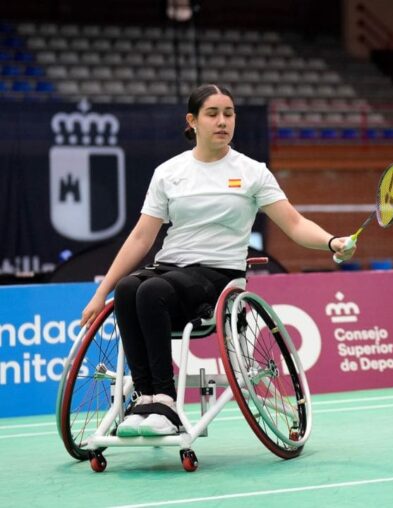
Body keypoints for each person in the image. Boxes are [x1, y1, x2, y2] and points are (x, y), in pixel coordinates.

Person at [79, 84, 355, 437]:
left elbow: (295, 224)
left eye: (229, 113)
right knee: (129, 287)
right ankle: (144, 400)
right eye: (213, 114)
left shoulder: (253, 172)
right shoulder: (169, 172)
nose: (222, 121)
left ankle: (165, 402)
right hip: (170, 268)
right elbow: (141, 237)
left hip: (219, 275)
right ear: (192, 121)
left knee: (150, 292)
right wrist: (100, 293)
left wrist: (332, 242)